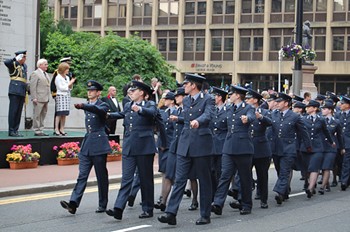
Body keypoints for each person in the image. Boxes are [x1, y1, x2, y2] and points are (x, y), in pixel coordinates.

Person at [158, 73, 214, 226]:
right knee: (180, 178)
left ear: (194, 85)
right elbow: (186, 119)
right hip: (185, 144)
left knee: (204, 180)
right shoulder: (187, 99)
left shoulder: (208, 99)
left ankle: (205, 214)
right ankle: (171, 213)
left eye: (186, 84)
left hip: (201, 144)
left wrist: (198, 121)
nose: (184, 87)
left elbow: (208, 115)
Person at [106, 80, 165, 220]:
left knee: (145, 179)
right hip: (129, 146)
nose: (131, 92)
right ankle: (118, 208)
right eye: (131, 90)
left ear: (142, 93)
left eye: (134, 90)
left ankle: (147, 208)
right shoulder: (128, 105)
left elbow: (152, 113)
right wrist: (106, 115)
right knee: (126, 178)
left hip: (144, 147)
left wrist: (140, 109)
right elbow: (120, 114)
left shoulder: (149, 104)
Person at [60, 80, 111, 214]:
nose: (89, 92)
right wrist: (85, 106)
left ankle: (103, 203)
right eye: (88, 90)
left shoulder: (103, 105)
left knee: (101, 176)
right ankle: (73, 203)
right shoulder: (87, 105)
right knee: (82, 175)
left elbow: (98, 110)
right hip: (87, 143)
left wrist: (84, 106)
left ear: (98, 93)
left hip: (99, 144)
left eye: (92, 90)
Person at [211, 85, 255, 216]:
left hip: (243, 148)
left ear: (238, 96)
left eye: (232, 94)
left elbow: (251, 116)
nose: (230, 96)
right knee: (225, 176)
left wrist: (247, 119)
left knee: (244, 177)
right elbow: (221, 123)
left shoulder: (248, 108)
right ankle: (218, 203)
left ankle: (246, 204)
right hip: (228, 146)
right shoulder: (228, 109)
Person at [271, 93, 311, 205]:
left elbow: (304, 132)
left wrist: (308, 146)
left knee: (284, 171)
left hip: (289, 148)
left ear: (286, 103)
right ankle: (285, 191)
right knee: (279, 171)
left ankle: (279, 192)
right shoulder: (274, 114)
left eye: (279, 102)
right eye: (276, 101)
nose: (276, 103)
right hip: (276, 148)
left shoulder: (295, 116)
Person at [301, 100, 335, 198]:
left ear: (315, 108)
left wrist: (331, 141)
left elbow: (326, 132)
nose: (307, 109)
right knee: (307, 169)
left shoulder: (321, 119)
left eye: (309, 107)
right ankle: (309, 183)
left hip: (317, 147)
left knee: (314, 167)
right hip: (305, 147)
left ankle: (310, 188)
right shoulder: (303, 119)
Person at [245, 89, 272, 209]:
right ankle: (243, 198)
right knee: (245, 174)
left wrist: (260, 117)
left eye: (248, 98)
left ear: (255, 100)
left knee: (262, 176)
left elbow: (270, 122)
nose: (246, 100)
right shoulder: (244, 111)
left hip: (261, 147)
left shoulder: (264, 111)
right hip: (247, 146)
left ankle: (263, 199)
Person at [319, 101, 345, 194]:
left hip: (331, 147)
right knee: (322, 167)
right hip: (320, 146)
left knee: (327, 166)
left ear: (330, 110)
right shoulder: (319, 120)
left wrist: (342, 147)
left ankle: (322, 187)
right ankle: (327, 184)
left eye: (325, 109)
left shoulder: (336, 121)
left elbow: (339, 136)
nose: (322, 110)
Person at [4, 50, 28, 137]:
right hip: (14, 90)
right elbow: (6, 62)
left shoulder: (24, 66)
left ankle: (16, 130)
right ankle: (11, 130)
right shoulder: (13, 64)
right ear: (20, 57)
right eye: (24, 57)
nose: (25, 59)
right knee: (13, 111)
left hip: (22, 90)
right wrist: (15, 58)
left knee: (18, 112)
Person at [210, 87, 228, 200]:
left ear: (220, 97)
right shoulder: (212, 110)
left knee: (220, 172)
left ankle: (218, 197)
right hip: (212, 144)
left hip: (222, 144)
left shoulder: (228, 110)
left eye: (215, 96)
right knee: (211, 171)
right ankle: (213, 193)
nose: (213, 99)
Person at [29, 59, 50, 136]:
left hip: (46, 98)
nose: (47, 66)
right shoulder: (35, 73)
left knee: (43, 114)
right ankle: (36, 130)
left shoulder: (46, 74)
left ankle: (41, 129)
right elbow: (32, 86)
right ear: (40, 65)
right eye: (45, 64)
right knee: (37, 114)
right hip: (38, 98)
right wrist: (34, 97)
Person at [54, 62, 76, 136]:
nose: (68, 71)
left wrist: (71, 84)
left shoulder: (67, 77)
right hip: (61, 96)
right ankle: (56, 128)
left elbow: (69, 87)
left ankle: (62, 128)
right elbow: (62, 88)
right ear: (63, 69)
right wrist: (70, 83)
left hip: (67, 96)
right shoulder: (58, 77)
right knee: (59, 113)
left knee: (65, 114)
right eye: (67, 69)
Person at [338, 96, 350, 190]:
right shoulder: (339, 115)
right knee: (341, 162)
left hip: (348, 142)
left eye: (342, 104)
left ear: (348, 105)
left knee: (346, 162)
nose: (340, 105)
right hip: (340, 142)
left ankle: (344, 181)